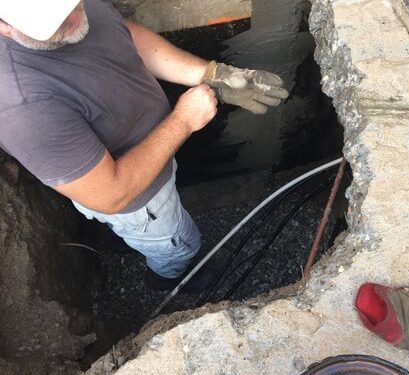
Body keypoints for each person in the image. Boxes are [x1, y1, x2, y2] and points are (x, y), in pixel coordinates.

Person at [0, 0, 288, 291]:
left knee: (128, 228)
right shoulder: (22, 108)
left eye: (74, 4)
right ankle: (170, 275)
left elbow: (121, 35)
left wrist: (212, 74)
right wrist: (183, 121)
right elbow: (111, 195)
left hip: (142, 162)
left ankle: (123, 236)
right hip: (138, 201)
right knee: (179, 243)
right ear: (4, 27)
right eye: (56, 23)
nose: (75, 16)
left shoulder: (65, 13)